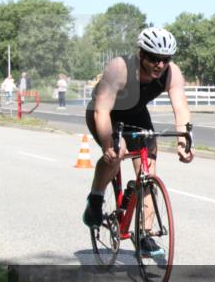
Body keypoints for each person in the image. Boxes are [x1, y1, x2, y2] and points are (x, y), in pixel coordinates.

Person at [82, 28, 194, 256]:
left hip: (136, 114)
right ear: (141, 53)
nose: (159, 65)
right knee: (117, 152)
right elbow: (102, 111)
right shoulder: (119, 68)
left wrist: (184, 142)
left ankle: (145, 235)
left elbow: (180, 107)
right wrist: (108, 145)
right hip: (105, 112)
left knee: (148, 171)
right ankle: (96, 197)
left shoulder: (172, 73)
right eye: (153, 58)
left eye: (165, 59)